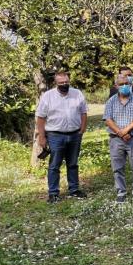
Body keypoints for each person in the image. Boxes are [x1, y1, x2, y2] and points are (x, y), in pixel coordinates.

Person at [35, 71, 88, 203]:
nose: (64, 84)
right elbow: (40, 118)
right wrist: (41, 137)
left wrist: (83, 128)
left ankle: (74, 190)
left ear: (69, 81)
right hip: (55, 135)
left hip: (75, 134)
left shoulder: (77, 93)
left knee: (73, 163)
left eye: (66, 82)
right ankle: (53, 193)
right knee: (54, 165)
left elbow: (83, 112)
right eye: (61, 83)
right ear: (56, 83)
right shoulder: (48, 96)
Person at [103, 73, 133, 202]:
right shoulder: (111, 101)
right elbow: (107, 119)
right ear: (116, 86)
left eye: (127, 84)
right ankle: (121, 192)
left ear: (130, 85)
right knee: (117, 167)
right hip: (116, 139)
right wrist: (120, 132)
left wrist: (126, 130)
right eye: (121, 84)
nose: (124, 86)